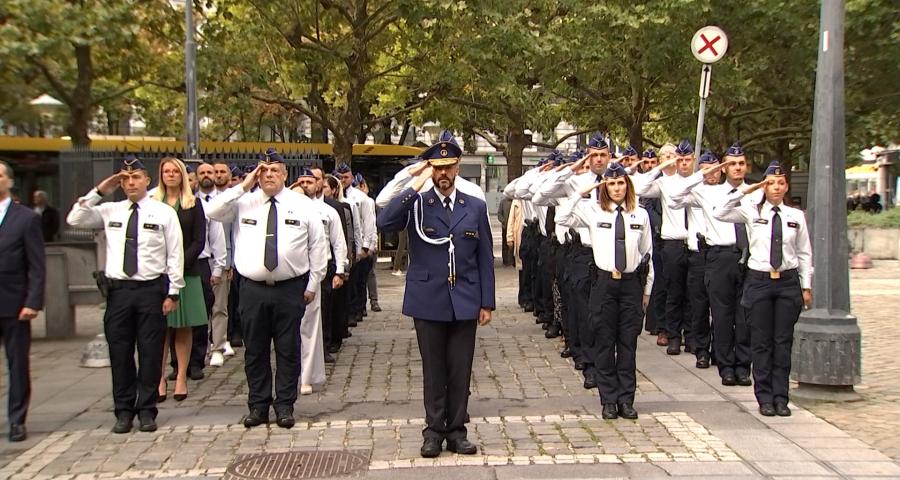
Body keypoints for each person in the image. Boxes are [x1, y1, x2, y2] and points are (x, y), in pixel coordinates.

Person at [377, 134, 495, 458]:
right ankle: (433, 430)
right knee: (433, 368)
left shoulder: (474, 206)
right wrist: (416, 183)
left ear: (458, 167)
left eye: (448, 167)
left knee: (460, 368)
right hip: (428, 297)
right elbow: (384, 220)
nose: (443, 174)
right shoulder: (418, 203)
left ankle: (457, 430)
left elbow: (484, 255)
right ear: (430, 168)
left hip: (466, 298)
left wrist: (487, 302)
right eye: (437, 168)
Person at [206, 148, 327, 429]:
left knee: (288, 349)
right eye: (264, 171)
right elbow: (212, 210)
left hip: (290, 288)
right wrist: (244, 185)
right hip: (253, 289)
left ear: (285, 175)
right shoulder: (243, 203)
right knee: (255, 350)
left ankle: (284, 404)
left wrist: (312, 284)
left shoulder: (302, 205)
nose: (269, 175)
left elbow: (317, 247)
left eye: (274, 170)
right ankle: (258, 405)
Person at [67, 155, 184, 433]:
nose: (131, 183)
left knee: (150, 352)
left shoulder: (163, 212)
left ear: (147, 180)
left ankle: (147, 409)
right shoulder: (111, 210)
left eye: (136, 177)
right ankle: (123, 410)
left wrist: (174, 292)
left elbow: (174, 253)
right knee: (120, 353)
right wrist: (99, 191)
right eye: (125, 178)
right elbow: (75, 218)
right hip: (118, 293)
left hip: (150, 291)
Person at [715, 161, 813, 417]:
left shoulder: (795, 216)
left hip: (787, 281)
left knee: (782, 342)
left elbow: (804, 253)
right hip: (759, 280)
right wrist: (748, 190)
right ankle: (765, 397)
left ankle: (782, 397)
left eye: (781, 183)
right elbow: (720, 212)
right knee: (761, 342)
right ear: (764, 186)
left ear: (786, 186)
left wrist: (806, 285)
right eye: (771, 183)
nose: (776, 187)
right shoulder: (751, 210)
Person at [555, 163, 653, 420]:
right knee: (604, 342)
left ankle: (626, 399)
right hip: (604, 284)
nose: (617, 188)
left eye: (621, 183)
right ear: (604, 186)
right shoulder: (594, 211)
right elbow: (561, 218)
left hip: (631, 284)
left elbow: (647, 253)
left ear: (627, 186)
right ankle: (608, 400)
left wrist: (647, 290)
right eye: (611, 183)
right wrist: (582, 193)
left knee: (628, 344)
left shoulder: (640, 215)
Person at [669, 142, 761, 384]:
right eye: (731, 164)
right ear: (724, 167)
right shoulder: (709, 192)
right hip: (720, 257)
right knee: (722, 314)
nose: (737, 168)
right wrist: (703, 173)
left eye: (741, 163)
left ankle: (743, 365)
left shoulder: (756, 192)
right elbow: (675, 196)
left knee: (745, 316)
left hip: (750, 257)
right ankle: (726, 365)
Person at [151, 158, 208, 402]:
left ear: (183, 175)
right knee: (160, 328)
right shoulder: (153, 203)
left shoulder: (192, 203)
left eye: (176, 171)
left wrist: (179, 263)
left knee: (184, 326)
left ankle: (182, 376)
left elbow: (199, 239)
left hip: (186, 271)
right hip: (157, 273)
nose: (171, 175)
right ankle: (160, 378)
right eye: (167, 171)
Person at [290, 167, 348, 394]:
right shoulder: (290, 209)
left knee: (314, 323)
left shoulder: (328, 211)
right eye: (302, 181)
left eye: (311, 180)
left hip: (321, 268)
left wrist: (340, 270)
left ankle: (308, 375)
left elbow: (338, 241)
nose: (306, 184)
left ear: (320, 183)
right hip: (293, 270)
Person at [635, 140, 694, 355]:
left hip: (697, 244)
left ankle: (693, 336)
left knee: (694, 294)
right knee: (673, 291)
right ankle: (673, 334)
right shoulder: (666, 183)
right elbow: (640, 188)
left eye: (687, 159)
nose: (682, 163)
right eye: (679, 159)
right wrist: (661, 168)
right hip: (673, 243)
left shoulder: (699, 182)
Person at [0, 161, 45, 442]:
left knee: (17, 363)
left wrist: (33, 301)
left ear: (9, 181)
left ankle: (17, 419)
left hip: (14, 302)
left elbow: (37, 265)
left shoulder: (25, 218)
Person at [196, 163, 230, 368]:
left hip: (217, 258)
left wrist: (223, 265)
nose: (209, 175)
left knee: (219, 306)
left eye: (211, 172)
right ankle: (200, 348)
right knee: (199, 310)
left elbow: (224, 236)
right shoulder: (190, 200)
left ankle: (218, 346)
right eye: (204, 173)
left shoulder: (223, 200)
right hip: (197, 261)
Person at [336, 163, 376, 326]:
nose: (343, 180)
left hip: (359, 246)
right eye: (340, 177)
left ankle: (358, 309)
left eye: (346, 177)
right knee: (350, 283)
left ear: (351, 178)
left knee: (359, 281)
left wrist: (367, 246)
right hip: (344, 244)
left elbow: (368, 222)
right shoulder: (336, 197)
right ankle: (351, 311)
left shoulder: (360, 198)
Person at [321, 174, 355, 354]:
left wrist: (344, 265)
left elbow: (344, 237)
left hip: (331, 262)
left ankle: (331, 340)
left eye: (325, 185)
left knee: (332, 305)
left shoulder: (336, 207)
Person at [498, 196, 513, 266]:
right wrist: (503, 221)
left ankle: (511, 260)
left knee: (512, 244)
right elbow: (499, 214)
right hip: (505, 227)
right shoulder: (503, 202)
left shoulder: (515, 202)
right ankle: (505, 260)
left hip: (513, 227)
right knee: (505, 244)